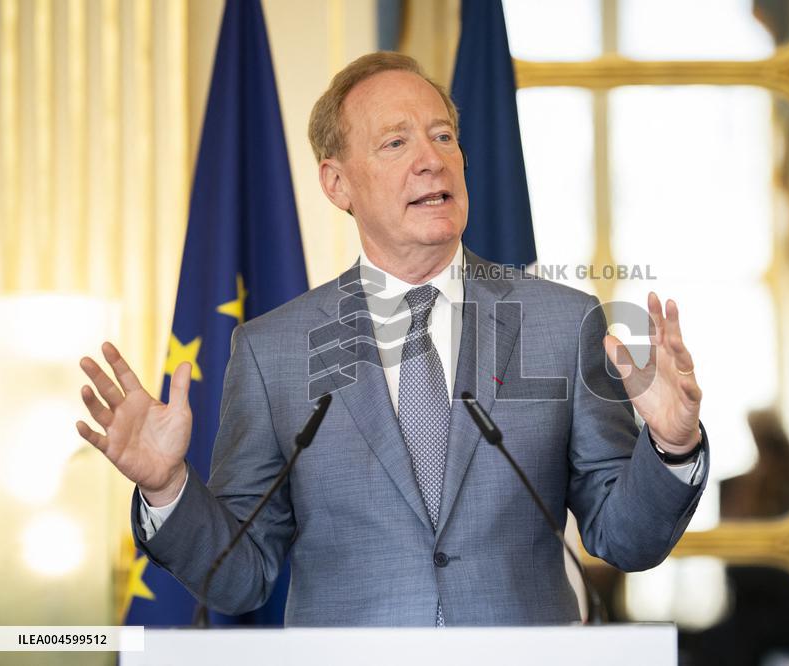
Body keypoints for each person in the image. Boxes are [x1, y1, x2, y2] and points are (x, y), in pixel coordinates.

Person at [76, 52, 710, 626]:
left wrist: (671, 447)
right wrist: (167, 489)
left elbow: (625, 540)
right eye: (395, 142)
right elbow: (242, 578)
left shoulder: (562, 323)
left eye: (442, 137)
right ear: (337, 184)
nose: (431, 158)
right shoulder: (274, 352)